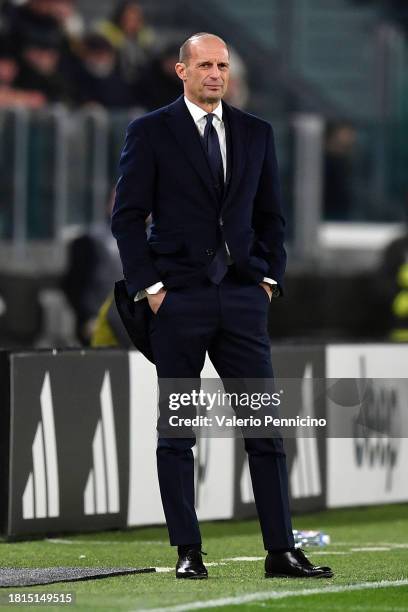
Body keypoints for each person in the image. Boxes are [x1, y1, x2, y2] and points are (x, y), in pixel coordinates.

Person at [112, 32, 333, 580]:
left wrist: (267, 281)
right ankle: (188, 551)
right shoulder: (150, 131)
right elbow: (126, 217)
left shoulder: (256, 133)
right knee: (178, 432)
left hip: (240, 300)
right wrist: (152, 290)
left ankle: (281, 550)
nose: (216, 74)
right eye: (205, 64)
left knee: (265, 430)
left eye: (223, 65)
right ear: (180, 70)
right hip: (178, 300)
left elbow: (272, 217)